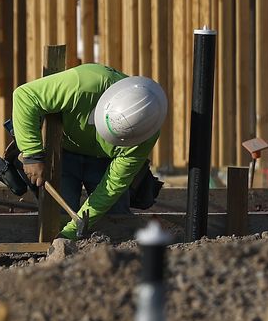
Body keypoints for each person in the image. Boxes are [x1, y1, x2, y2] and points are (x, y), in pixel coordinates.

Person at [11, 63, 167, 240]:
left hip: (106, 161)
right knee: (58, 214)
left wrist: (69, 234)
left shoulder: (145, 133)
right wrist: (32, 154)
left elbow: (111, 188)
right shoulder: (83, 84)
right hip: (64, 153)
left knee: (116, 220)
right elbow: (25, 96)